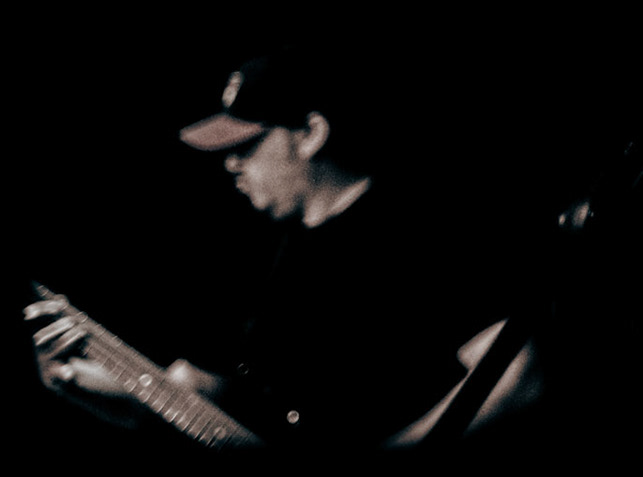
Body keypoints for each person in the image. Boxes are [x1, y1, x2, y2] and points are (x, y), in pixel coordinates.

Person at [27, 50, 540, 451]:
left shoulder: (421, 232)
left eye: (247, 145)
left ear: (311, 134)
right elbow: (245, 410)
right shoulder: (276, 249)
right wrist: (97, 384)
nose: (231, 164)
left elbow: (519, 376)